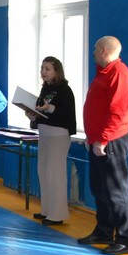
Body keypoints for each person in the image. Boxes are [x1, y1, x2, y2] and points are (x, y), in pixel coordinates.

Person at [80, 36, 128, 255]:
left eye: (95, 48)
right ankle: (103, 231)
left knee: (115, 190)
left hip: (112, 140)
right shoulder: (104, 73)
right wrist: (92, 137)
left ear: (104, 50)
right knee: (99, 188)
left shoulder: (119, 74)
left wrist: (103, 139)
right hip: (98, 140)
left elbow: (118, 112)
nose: (93, 51)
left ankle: (125, 239)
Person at [23, 56, 77, 227]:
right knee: (44, 172)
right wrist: (33, 115)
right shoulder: (45, 89)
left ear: (56, 71)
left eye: (47, 69)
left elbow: (65, 113)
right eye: (42, 68)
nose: (43, 72)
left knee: (55, 174)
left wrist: (50, 108)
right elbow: (41, 112)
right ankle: (47, 209)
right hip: (45, 134)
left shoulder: (65, 90)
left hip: (58, 135)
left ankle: (57, 214)